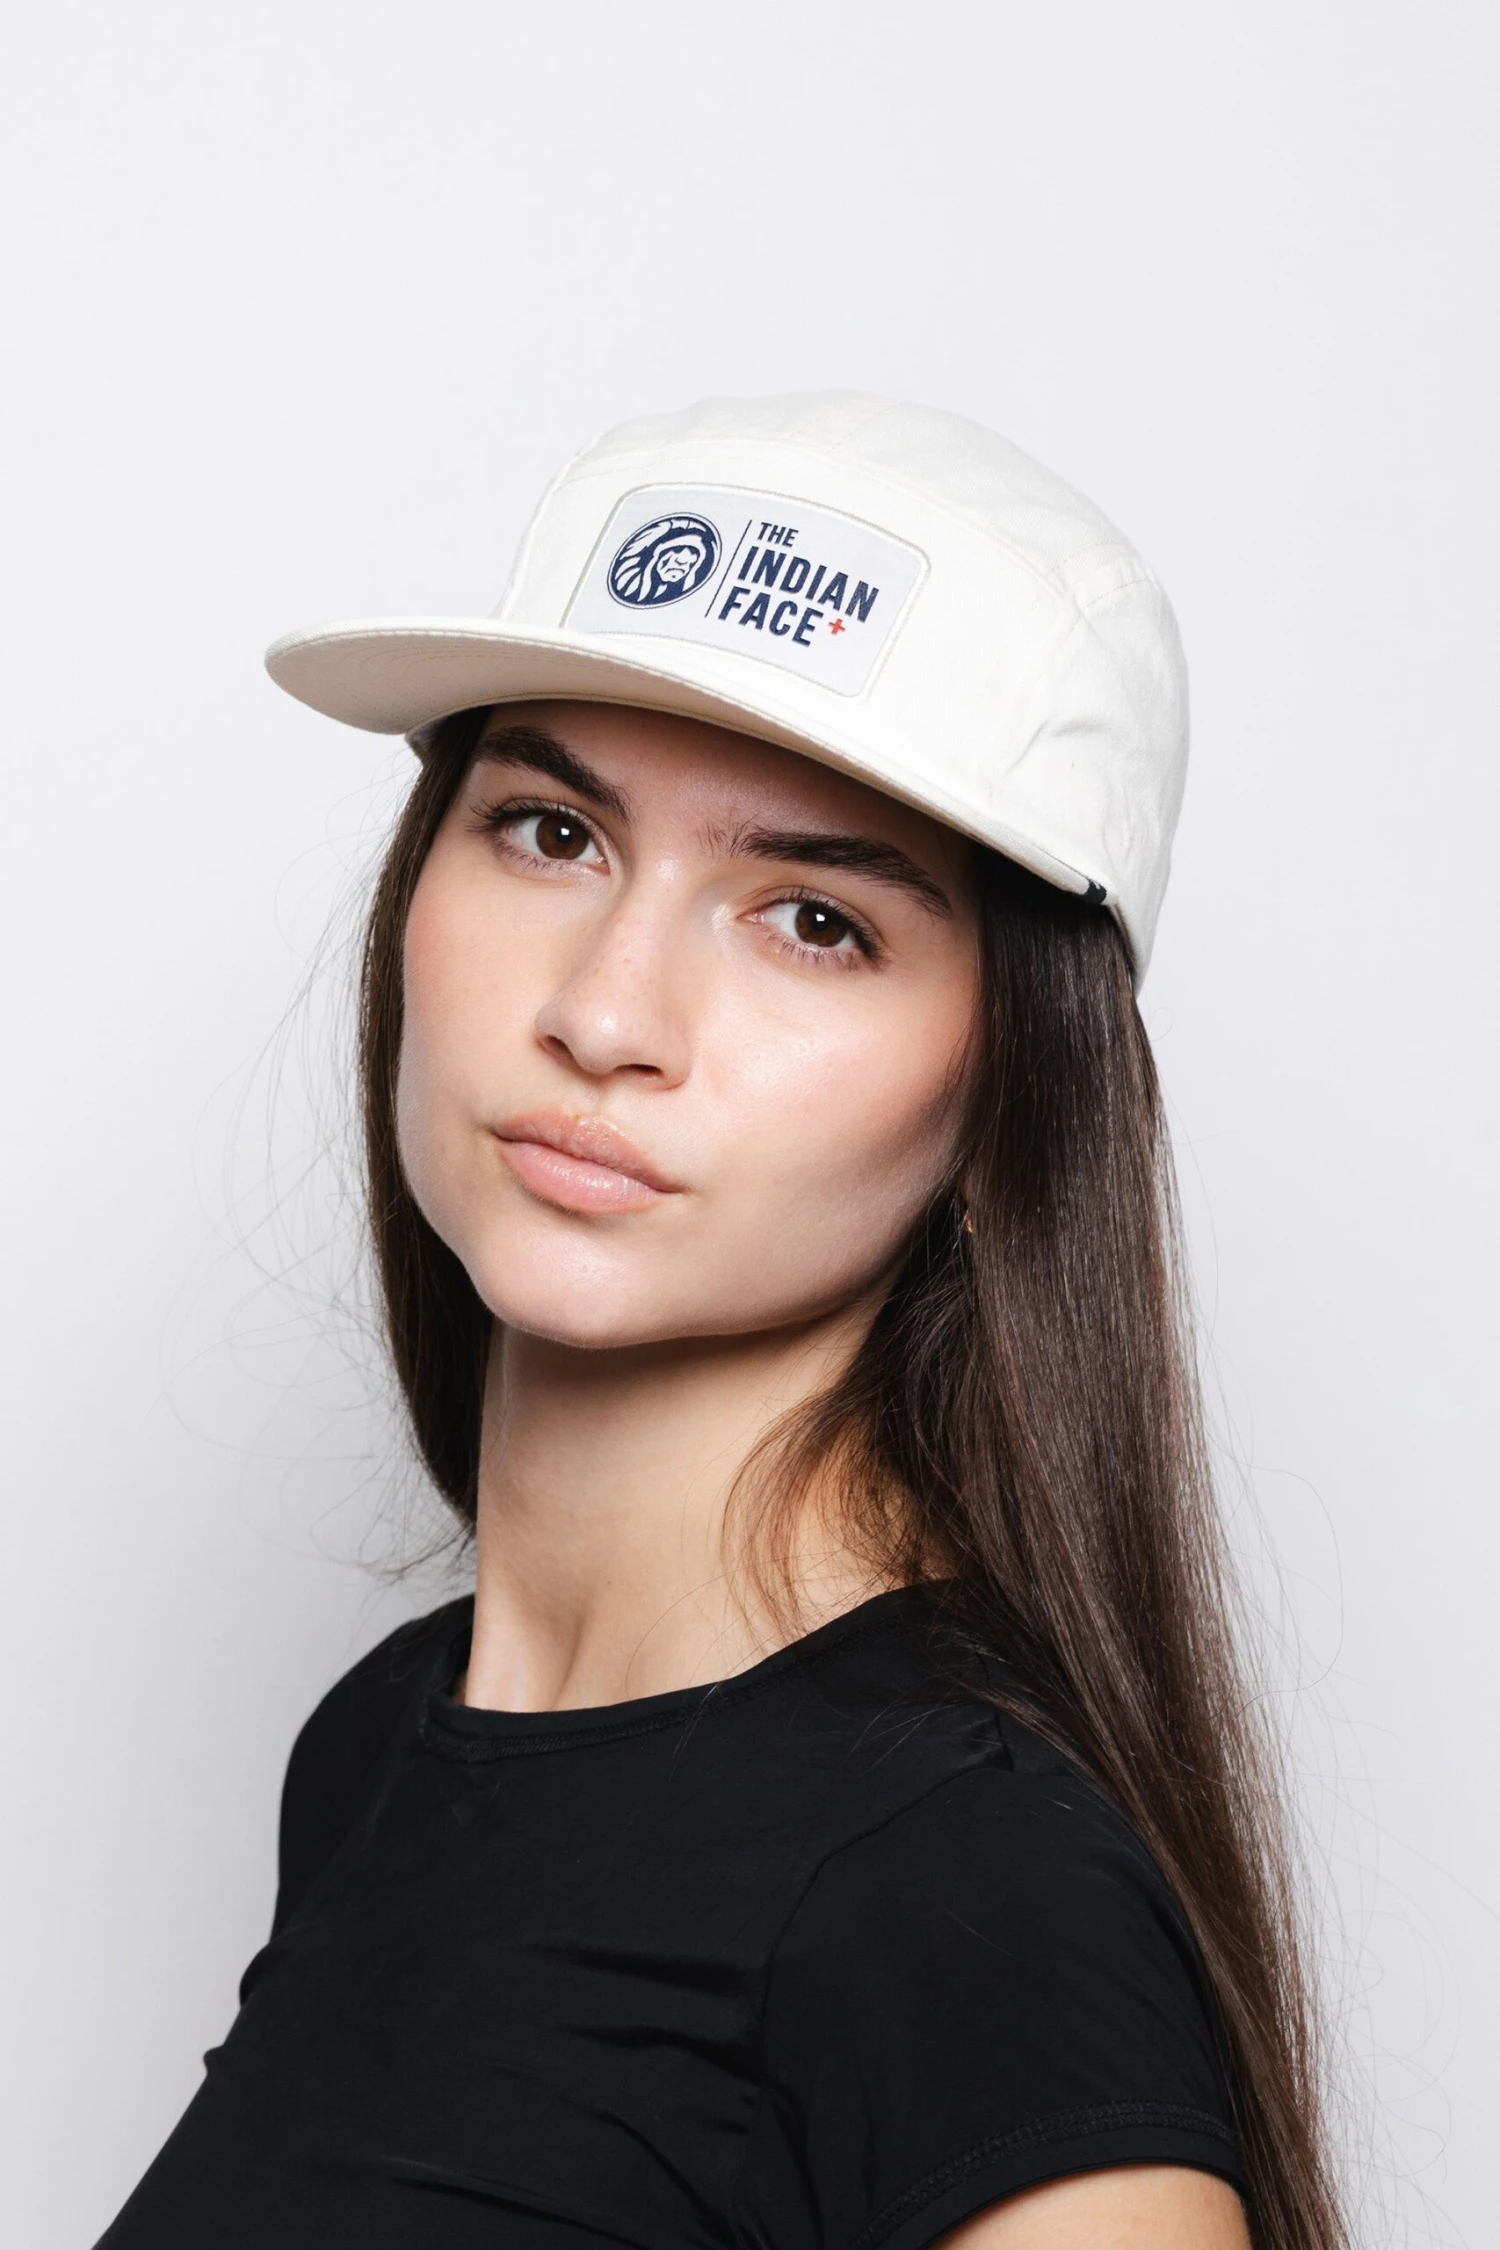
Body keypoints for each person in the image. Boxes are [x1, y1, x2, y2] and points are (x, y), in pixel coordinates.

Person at [97, 394, 1347, 2249]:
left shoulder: (967, 1888)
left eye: (814, 920)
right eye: (550, 830)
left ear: (1014, 1100)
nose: (606, 1011)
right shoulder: (383, 1749)